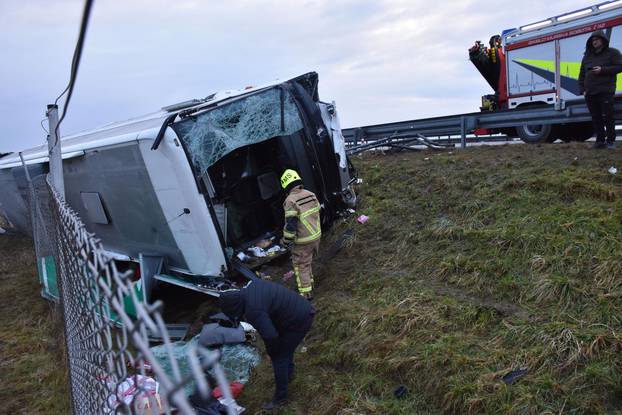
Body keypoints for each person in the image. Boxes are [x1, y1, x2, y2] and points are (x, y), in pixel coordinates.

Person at [219, 279, 315, 410]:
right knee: (286, 348)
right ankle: (289, 374)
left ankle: (280, 399)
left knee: (279, 357)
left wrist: (271, 352)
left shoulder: (253, 311)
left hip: (299, 319)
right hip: (297, 308)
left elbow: (270, 336)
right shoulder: (251, 285)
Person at [279, 169, 321, 300]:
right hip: (316, 236)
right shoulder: (311, 194)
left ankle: (306, 294)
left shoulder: (290, 201)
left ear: (286, 186)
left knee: (300, 265)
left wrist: (286, 241)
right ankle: (310, 284)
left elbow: (291, 225)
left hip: (303, 240)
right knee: (307, 262)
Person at [578, 30, 622, 149]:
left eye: (596, 40)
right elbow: (582, 73)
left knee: (608, 116)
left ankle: (611, 141)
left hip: (605, 91)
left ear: (602, 40)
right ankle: (600, 141)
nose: (594, 42)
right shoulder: (587, 56)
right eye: (592, 40)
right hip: (590, 92)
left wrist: (602, 70)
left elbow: (619, 66)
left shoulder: (612, 53)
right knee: (596, 118)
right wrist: (583, 89)